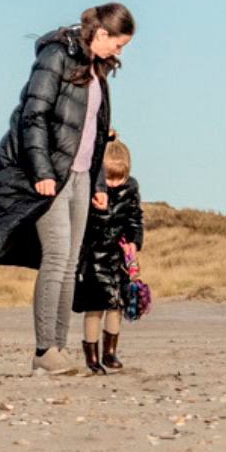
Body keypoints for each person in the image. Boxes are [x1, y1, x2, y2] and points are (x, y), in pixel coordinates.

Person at [0, 2, 134, 376]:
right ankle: (45, 350)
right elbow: (34, 115)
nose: (120, 52)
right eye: (119, 43)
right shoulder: (56, 55)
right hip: (51, 177)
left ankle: (59, 349)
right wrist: (42, 171)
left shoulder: (97, 71)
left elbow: (93, 134)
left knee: (71, 263)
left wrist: (97, 183)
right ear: (101, 33)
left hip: (80, 177)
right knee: (57, 256)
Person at [73, 137, 144, 374]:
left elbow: (135, 218)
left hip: (118, 259)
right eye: (109, 178)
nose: (114, 184)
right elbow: (83, 225)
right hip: (94, 258)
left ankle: (110, 352)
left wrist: (134, 242)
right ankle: (91, 355)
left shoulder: (131, 188)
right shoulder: (90, 189)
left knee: (117, 305)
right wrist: (99, 211)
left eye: (119, 178)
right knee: (95, 307)